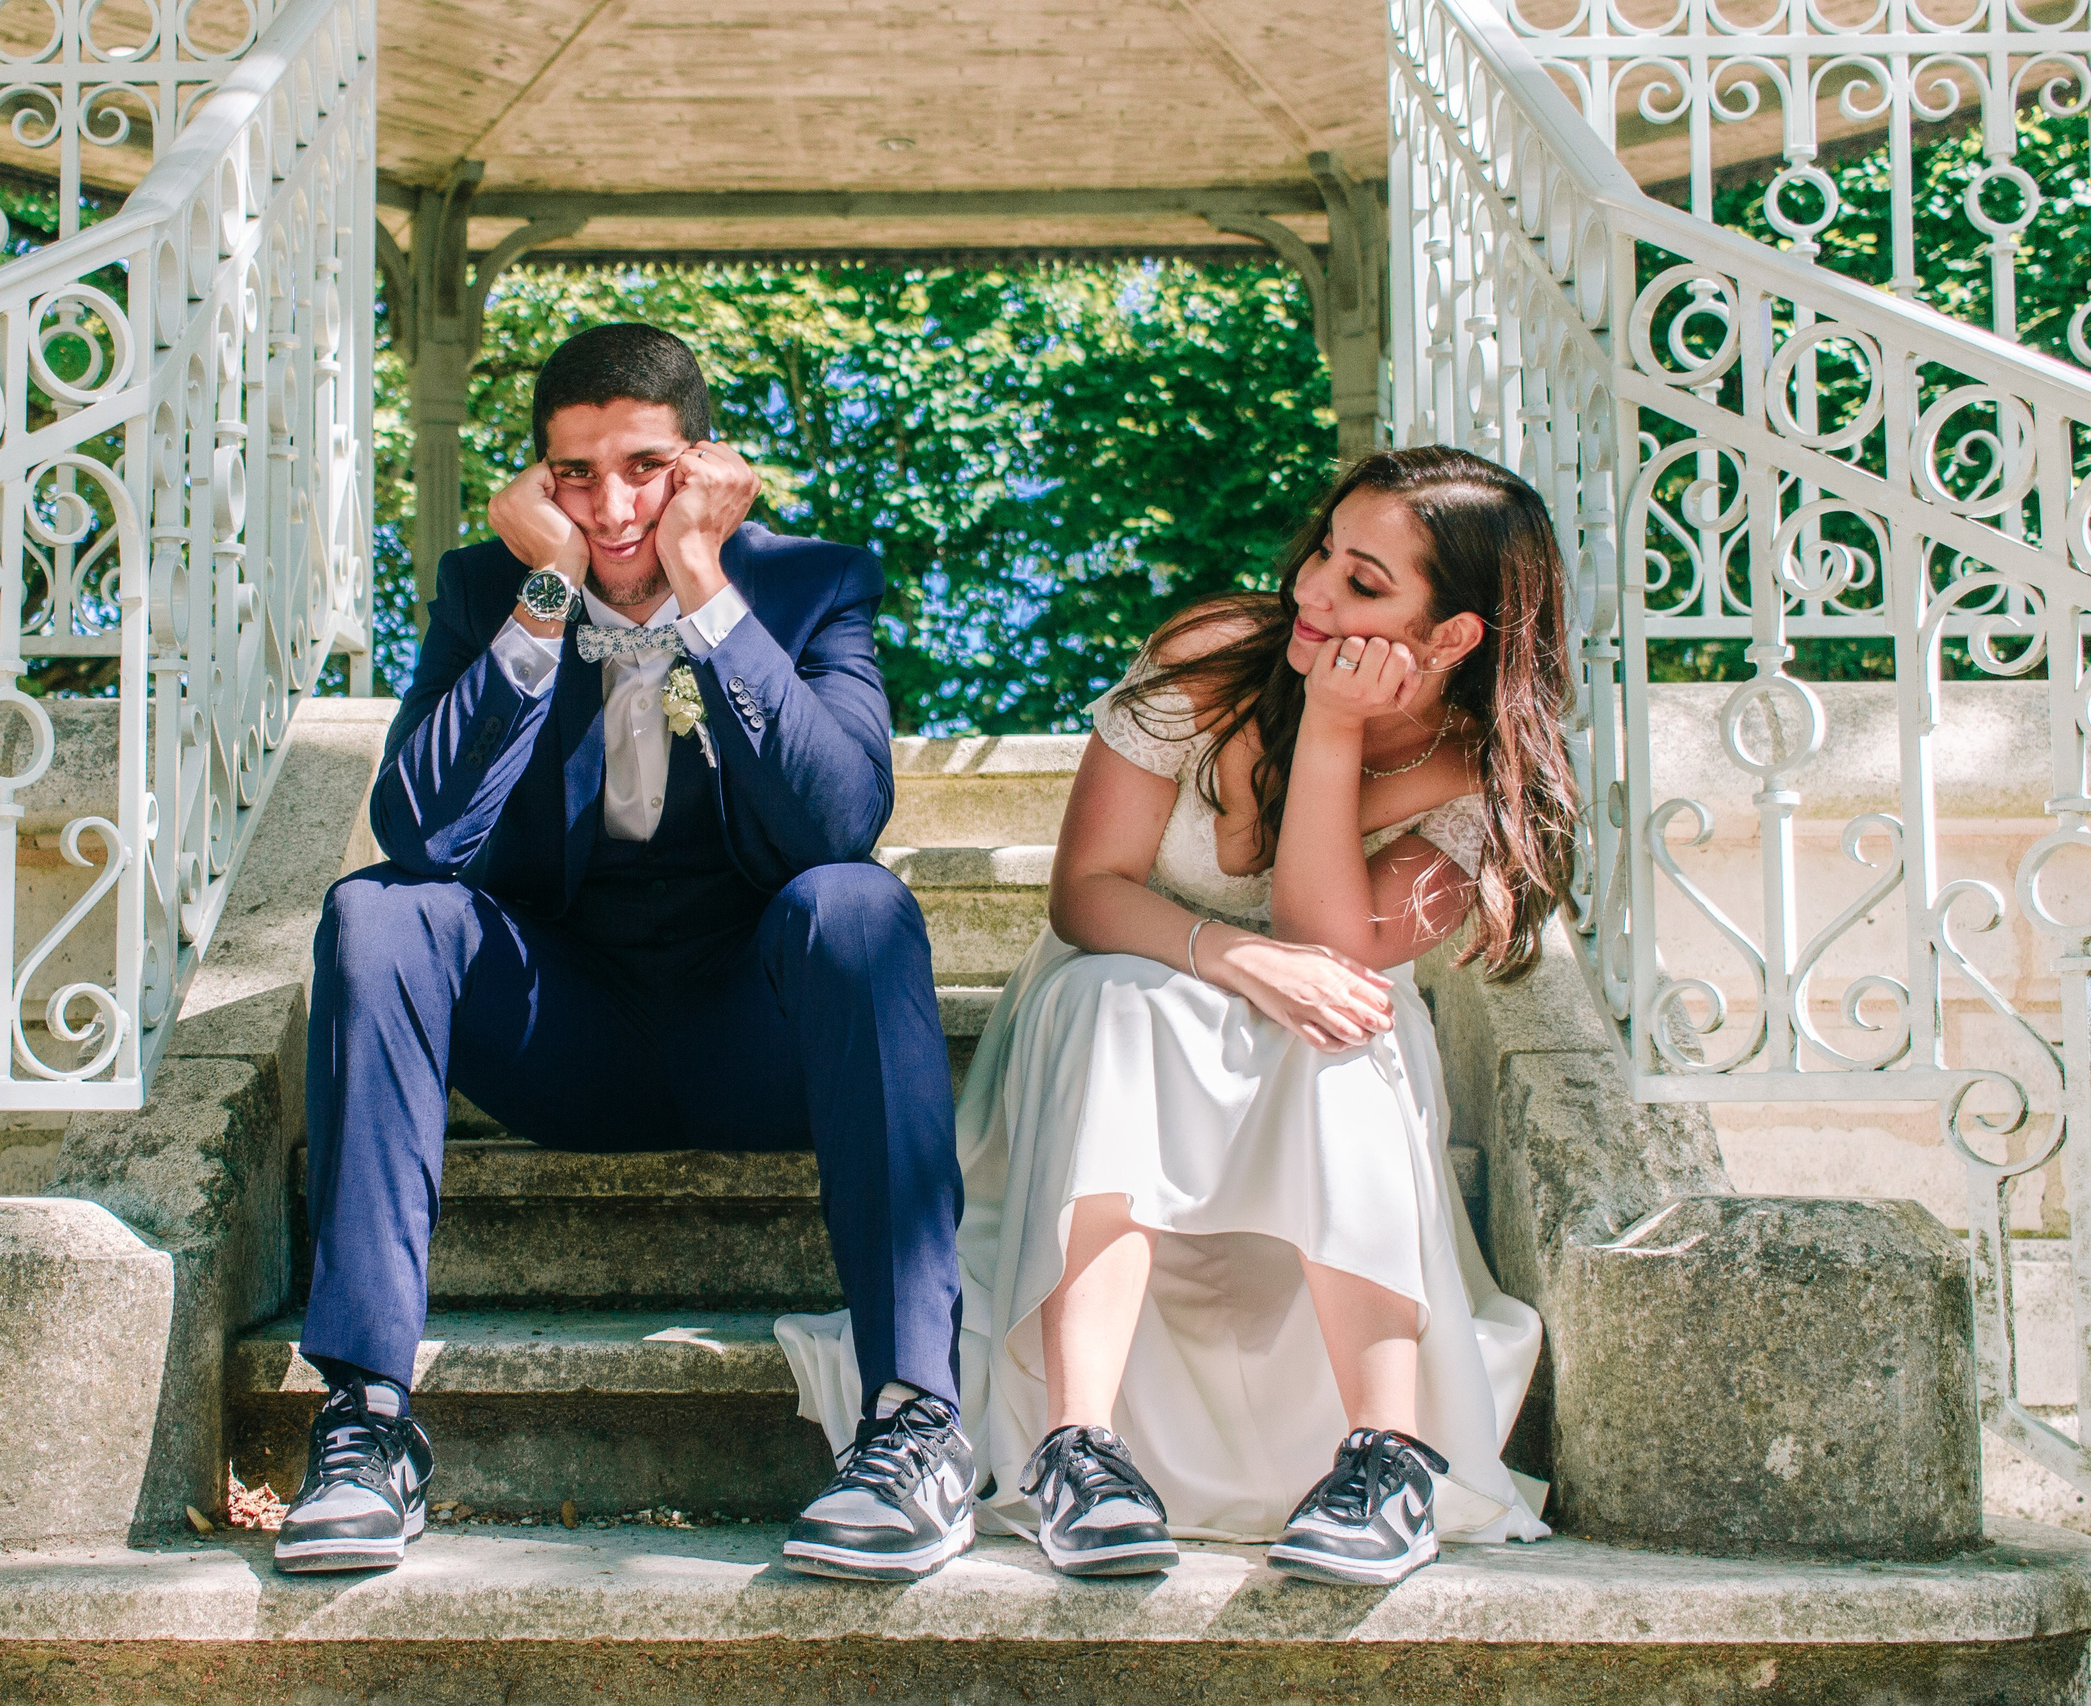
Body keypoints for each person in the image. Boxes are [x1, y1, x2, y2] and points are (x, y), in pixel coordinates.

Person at [779, 446, 1574, 1585]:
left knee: (1348, 1027)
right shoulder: (1214, 658)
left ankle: (1387, 1454)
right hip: (1127, 975)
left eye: (1363, 583)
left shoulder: (1483, 775)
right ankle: (1079, 1444)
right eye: (1321, 554)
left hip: (1311, 1037)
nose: (1311, 590)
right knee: (1119, 1001)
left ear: (1452, 637)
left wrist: (1337, 731)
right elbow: (1088, 890)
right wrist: (1234, 955)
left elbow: (1330, 945)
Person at [278, 323, 974, 1582]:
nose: (610, 505)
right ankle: (367, 1421)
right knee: (379, 908)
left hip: (759, 1037)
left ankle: (913, 1421)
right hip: (566, 1033)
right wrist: (544, 597)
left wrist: (705, 586)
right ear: (538, 481)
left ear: (702, 463)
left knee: (859, 904)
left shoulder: (815, 582)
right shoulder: (490, 588)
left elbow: (836, 821)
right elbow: (422, 831)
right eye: (574, 475)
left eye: (644, 467)